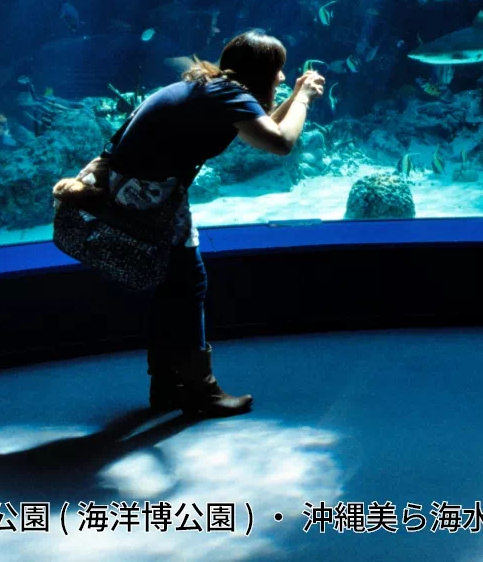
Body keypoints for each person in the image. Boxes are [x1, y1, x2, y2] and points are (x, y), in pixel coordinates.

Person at [98, 30, 325, 417]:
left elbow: (262, 126)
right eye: (280, 71)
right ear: (260, 71)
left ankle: (167, 384)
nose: (284, 78)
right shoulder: (227, 95)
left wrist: (291, 97)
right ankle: (199, 391)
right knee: (189, 282)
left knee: (171, 286)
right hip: (148, 190)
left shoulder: (216, 88)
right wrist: (303, 97)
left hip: (132, 183)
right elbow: (281, 143)